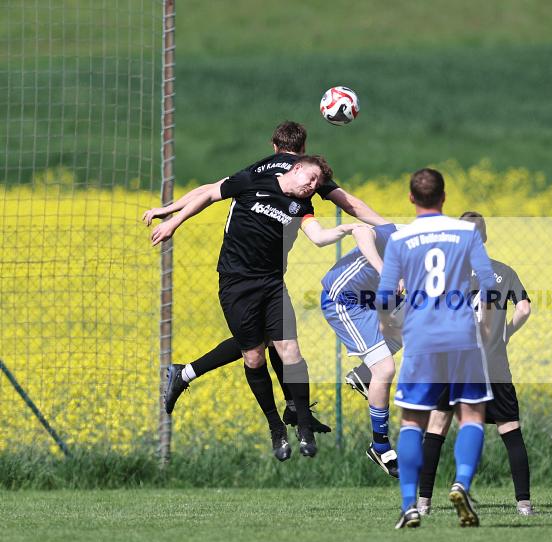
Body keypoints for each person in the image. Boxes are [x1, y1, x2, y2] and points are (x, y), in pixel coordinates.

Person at [143, 121, 386, 447]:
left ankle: (296, 415)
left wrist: (168, 211)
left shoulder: (282, 180)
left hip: (270, 280)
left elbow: (208, 188)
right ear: (300, 157)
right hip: (237, 279)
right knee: (255, 351)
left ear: (275, 146)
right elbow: (349, 202)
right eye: (311, 179)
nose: (313, 184)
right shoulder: (274, 178)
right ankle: (281, 416)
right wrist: (389, 227)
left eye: (316, 182)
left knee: (280, 346)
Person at [376, 168, 496, 529]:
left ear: (411, 199)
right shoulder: (466, 232)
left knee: (413, 421)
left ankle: (410, 505)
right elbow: (488, 284)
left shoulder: (401, 238)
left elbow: (384, 297)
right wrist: (486, 326)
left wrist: (387, 325)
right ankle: (461, 482)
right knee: (472, 416)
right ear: (444, 196)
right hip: (462, 335)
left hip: (421, 339)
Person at [415, 211, 534, 516]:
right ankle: (524, 504)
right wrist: (505, 331)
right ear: (484, 237)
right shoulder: (503, 272)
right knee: (510, 431)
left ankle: (423, 503)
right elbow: (524, 308)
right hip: (492, 366)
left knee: (437, 428)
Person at [319, 222, 403, 477]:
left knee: (410, 329)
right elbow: (360, 230)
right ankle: (380, 446)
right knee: (385, 369)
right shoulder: (401, 238)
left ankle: (363, 376)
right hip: (342, 301)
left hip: (366, 302)